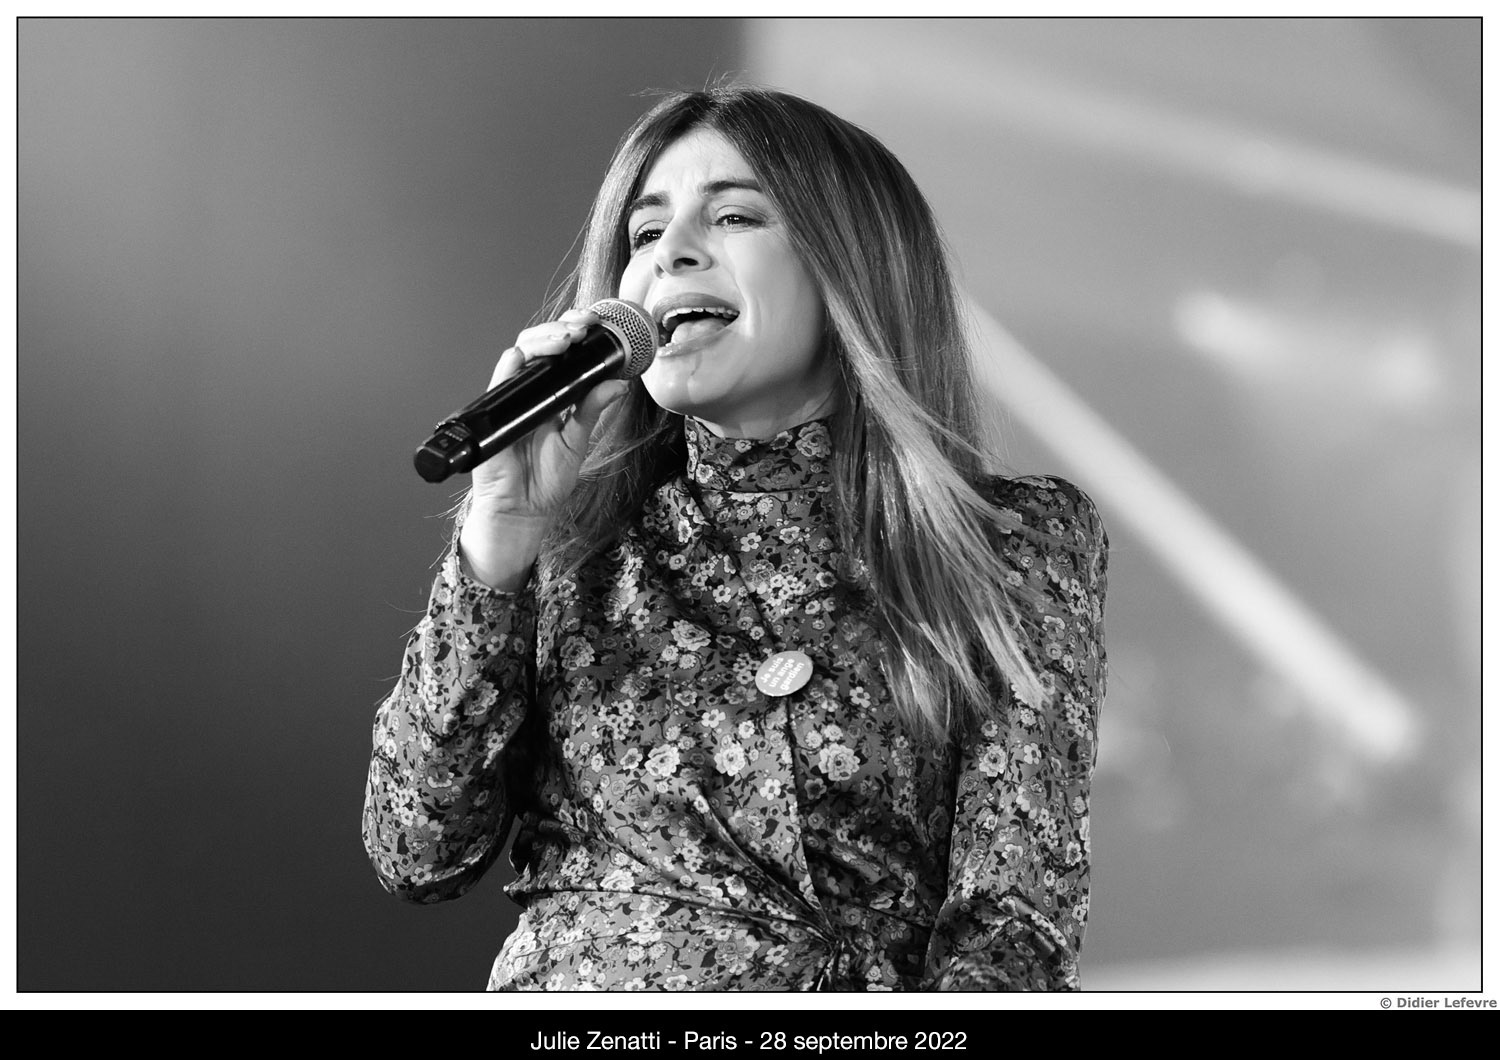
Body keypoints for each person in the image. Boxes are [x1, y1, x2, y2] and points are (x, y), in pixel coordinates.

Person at [363, 85, 1108, 991]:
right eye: (645, 233)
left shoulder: (1009, 540)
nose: (671, 251)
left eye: (734, 216)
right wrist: (499, 537)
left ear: (852, 264)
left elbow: (1013, 933)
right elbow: (419, 850)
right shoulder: (570, 544)